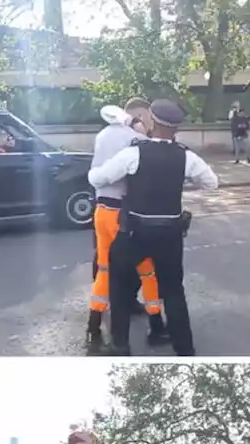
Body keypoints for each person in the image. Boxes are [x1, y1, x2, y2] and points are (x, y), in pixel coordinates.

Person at [87, 99, 218, 357]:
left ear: (152, 122)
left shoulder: (135, 153)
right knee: (173, 292)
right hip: (170, 234)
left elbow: (98, 178)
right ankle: (185, 349)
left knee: (120, 282)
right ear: (176, 128)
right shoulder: (185, 156)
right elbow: (211, 183)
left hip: (136, 232)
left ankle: (120, 345)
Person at [86, 98, 167, 355]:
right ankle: (156, 325)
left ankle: (93, 327)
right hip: (124, 213)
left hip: (101, 210)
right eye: (149, 118)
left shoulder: (103, 134)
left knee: (104, 268)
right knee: (147, 268)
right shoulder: (136, 140)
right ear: (141, 115)